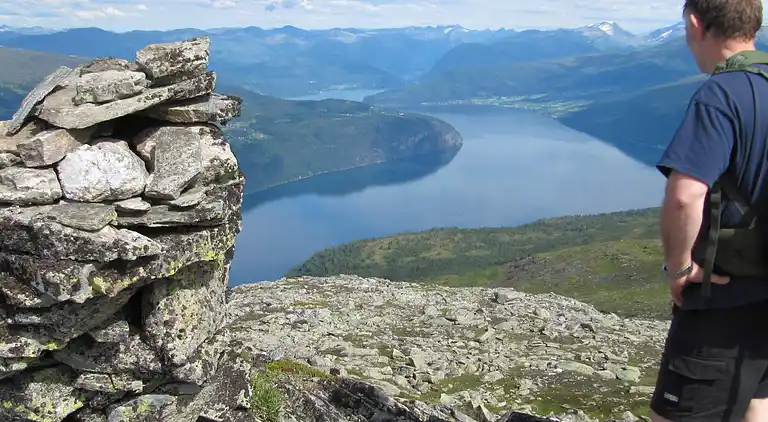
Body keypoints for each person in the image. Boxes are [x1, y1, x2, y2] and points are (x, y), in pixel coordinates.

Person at [651, 0, 768, 421]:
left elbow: (685, 196)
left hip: (726, 297)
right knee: (756, 403)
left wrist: (680, 268)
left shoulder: (722, 93)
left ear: (697, 25)